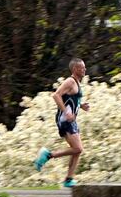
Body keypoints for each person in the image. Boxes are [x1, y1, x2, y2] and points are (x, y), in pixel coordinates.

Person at [33, 58, 90, 187]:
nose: (85, 70)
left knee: (77, 151)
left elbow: (70, 99)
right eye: (82, 67)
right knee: (77, 148)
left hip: (71, 120)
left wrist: (81, 106)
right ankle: (48, 155)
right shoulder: (70, 81)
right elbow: (56, 95)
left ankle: (69, 179)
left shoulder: (77, 83)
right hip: (65, 120)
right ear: (75, 69)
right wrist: (66, 112)